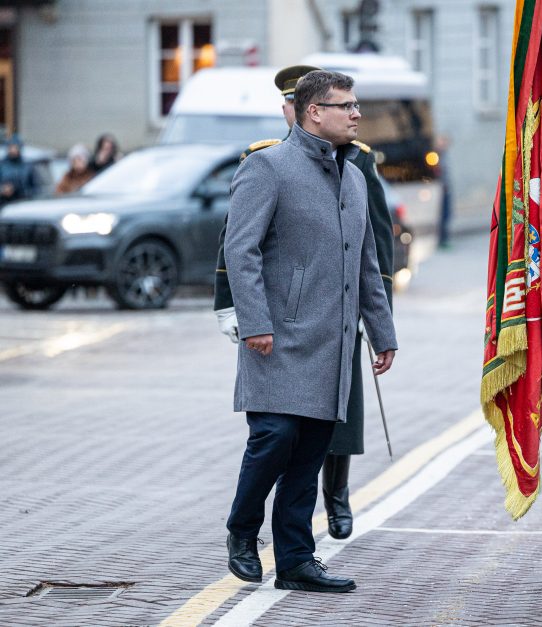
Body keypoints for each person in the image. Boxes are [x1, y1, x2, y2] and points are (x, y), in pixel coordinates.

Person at [214, 64, 395, 543]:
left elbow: (367, 260)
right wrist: (251, 320)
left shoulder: (354, 177)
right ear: (313, 112)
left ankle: (296, 559)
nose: (357, 114)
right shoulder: (267, 165)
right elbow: (238, 247)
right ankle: (242, 531)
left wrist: (383, 332)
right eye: (346, 106)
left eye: (356, 105)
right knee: (273, 440)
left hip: (330, 340)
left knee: (311, 452)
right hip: (276, 336)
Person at [0, 134, 38, 205]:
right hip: (4, 204)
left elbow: (35, 188)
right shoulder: (2, 165)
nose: (13, 150)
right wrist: (3, 190)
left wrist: (19, 190)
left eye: (15, 147)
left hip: (23, 203)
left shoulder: (28, 166)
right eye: (11, 147)